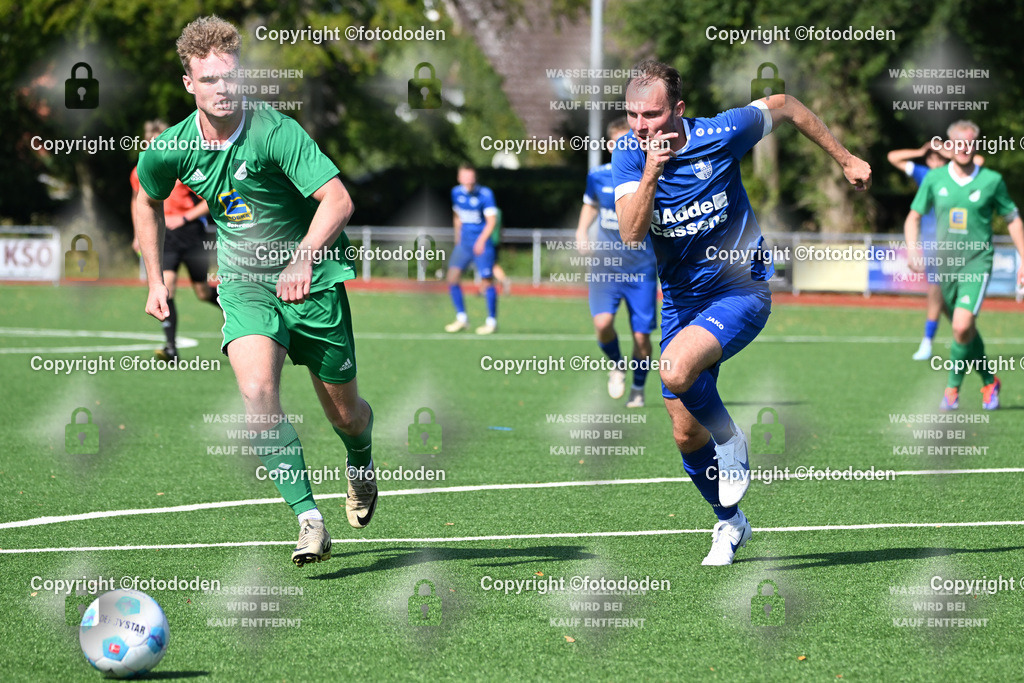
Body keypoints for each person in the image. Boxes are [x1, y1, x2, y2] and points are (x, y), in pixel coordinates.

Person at [134, 15, 376, 567]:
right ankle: (309, 520)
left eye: (230, 76)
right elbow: (146, 200)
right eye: (209, 79)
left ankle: (360, 462)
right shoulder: (171, 147)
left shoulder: (274, 131)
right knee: (256, 392)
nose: (222, 88)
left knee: (347, 417)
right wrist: (154, 278)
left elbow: (338, 200)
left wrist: (303, 256)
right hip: (245, 285)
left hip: (313, 283)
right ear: (189, 84)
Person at [613, 59, 870, 565]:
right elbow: (630, 233)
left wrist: (845, 158)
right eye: (633, 115)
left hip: (741, 289)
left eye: (653, 114)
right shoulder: (628, 154)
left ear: (678, 109)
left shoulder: (724, 131)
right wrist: (651, 172)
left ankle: (731, 440)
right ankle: (729, 522)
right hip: (682, 302)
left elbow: (787, 106)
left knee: (675, 369)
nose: (642, 126)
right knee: (685, 431)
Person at [904, 120, 1024, 411]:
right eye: (958, 143)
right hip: (943, 265)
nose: (964, 148)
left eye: (970, 143)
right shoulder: (935, 179)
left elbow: (1012, 219)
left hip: (976, 263)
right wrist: (913, 249)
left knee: (960, 326)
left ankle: (951, 389)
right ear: (949, 147)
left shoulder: (991, 181)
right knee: (965, 330)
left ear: (976, 145)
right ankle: (989, 381)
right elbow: (913, 217)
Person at [575, 117, 658, 407]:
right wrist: (581, 232)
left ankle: (638, 387)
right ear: (610, 146)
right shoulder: (597, 176)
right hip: (605, 267)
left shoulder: (650, 176)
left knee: (642, 338)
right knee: (602, 324)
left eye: (630, 141)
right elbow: (590, 205)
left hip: (641, 269)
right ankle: (617, 364)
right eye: (619, 142)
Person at [130, 119, 218, 362]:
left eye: (160, 141)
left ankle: (237, 309)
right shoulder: (140, 170)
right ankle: (171, 348)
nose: (155, 146)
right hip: (164, 236)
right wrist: (138, 233)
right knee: (165, 286)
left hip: (191, 233)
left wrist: (184, 217)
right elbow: (138, 202)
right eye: (151, 142)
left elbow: (212, 199)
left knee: (202, 292)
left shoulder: (186, 167)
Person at [887, 141, 948, 360]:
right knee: (937, 292)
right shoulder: (923, 173)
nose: (935, 159)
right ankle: (929, 341)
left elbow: (978, 160)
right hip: (933, 243)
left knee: (944, 296)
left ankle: (959, 335)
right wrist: (920, 151)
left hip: (959, 244)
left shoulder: (957, 174)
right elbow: (893, 157)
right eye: (931, 156)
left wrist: (946, 150)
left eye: (939, 156)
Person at [444, 165, 499, 334]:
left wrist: (481, 241)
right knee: (452, 278)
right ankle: (462, 318)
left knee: (486, 281)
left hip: (482, 243)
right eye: (465, 177)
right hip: (464, 244)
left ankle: (491, 322)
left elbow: (492, 221)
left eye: (471, 177)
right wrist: (457, 238)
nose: (468, 180)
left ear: (475, 178)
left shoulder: (485, 194)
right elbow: (457, 217)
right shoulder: (456, 192)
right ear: (459, 178)